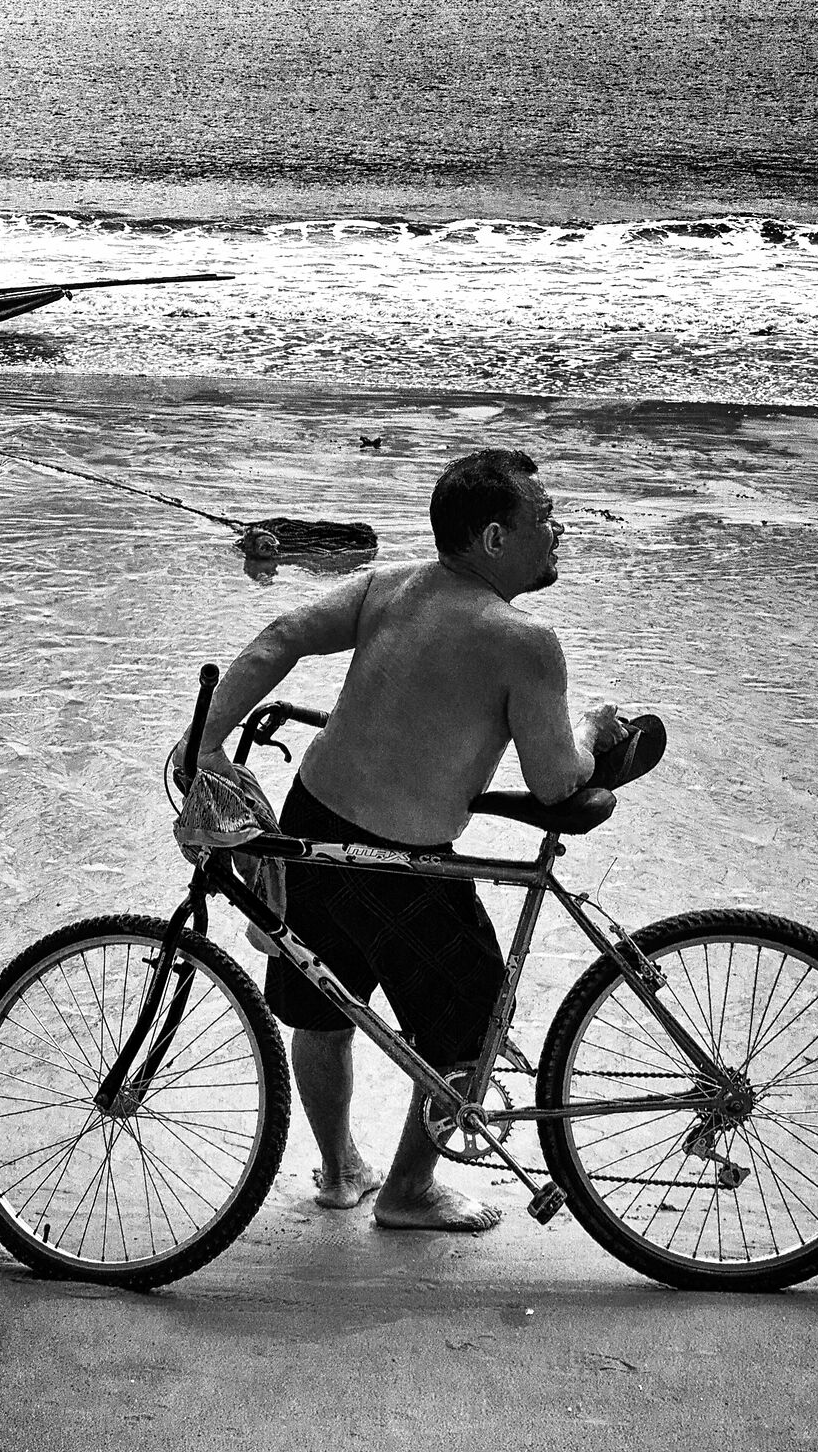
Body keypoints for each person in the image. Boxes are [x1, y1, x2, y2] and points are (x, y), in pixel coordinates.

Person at [177, 449, 625, 1234]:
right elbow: (558, 782)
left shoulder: (393, 587)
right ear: (493, 538)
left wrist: (205, 744)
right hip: (406, 865)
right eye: (545, 517)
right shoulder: (524, 641)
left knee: (321, 1011)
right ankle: (409, 1192)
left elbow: (282, 634)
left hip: (314, 825)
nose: (559, 531)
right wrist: (592, 730)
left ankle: (341, 1168)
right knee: (466, 1034)